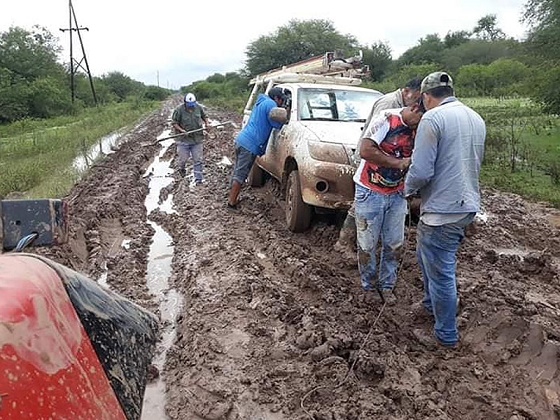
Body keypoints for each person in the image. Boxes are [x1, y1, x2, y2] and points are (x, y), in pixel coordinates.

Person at [404, 72, 486, 348]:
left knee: (441, 271)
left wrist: (405, 189)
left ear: (427, 96)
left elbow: (422, 170)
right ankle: (429, 305)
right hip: (466, 204)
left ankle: (445, 335)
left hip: (442, 209)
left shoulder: (433, 118)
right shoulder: (475, 118)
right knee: (425, 254)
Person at [334, 78, 422, 260]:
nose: (418, 103)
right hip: (374, 160)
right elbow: (376, 140)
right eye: (418, 98)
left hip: (388, 162)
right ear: (407, 92)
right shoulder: (389, 104)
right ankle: (346, 241)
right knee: (364, 203)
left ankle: (370, 242)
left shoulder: (405, 108)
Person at [354, 103, 424, 305]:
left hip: (397, 193)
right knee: (367, 243)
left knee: (394, 243)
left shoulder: (421, 128)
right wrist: (397, 163)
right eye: (420, 119)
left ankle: (387, 285)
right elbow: (365, 150)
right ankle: (368, 286)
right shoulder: (386, 119)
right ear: (414, 108)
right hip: (370, 189)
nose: (420, 125)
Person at [227, 87, 287, 210]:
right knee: (240, 175)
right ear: (276, 98)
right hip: (250, 144)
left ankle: (231, 196)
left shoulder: (262, 102)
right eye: (281, 100)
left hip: (242, 140)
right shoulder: (271, 104)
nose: (281, 103)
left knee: (238, 171)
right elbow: (276, 124)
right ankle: (231, 203)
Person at [171, 93, 210, 185]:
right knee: (183, 159)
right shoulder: (178, 110)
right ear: (185, 103)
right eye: (189, 105)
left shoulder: (199, 108)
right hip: (183, 140)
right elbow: (174, 123)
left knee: (198, 160)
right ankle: (182, 168)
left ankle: (198, 180)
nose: (191, 107)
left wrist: (207, 124)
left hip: (197, 139)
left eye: (192, 105)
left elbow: (204, 116)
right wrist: (182, 130)